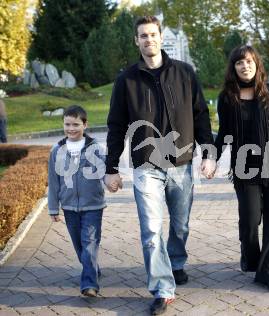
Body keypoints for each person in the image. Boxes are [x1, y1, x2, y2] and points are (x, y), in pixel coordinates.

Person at [104, 15, 216, 315]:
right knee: (151, 231)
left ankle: (176, 262)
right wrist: (110, 168)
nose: (148, 39)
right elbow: (116, 125)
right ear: (136, 41)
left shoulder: (185, 73)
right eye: (143, 35)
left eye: (153, 34)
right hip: (145, 167)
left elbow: (201, 114)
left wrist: (209, 153)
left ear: (161, 36)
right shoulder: (126, 80)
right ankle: (163, 289)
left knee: (180, 226)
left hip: (182, 164)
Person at [214, 45, 269, 292]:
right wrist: (212, 157)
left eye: (249, 61)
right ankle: (251, 258)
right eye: (240, 62)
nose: (245, 66)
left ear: (257, 64)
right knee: (250, 220)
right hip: (244, 167)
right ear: (234, 68)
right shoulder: (226, 98)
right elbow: (224, 134)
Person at [48, 105, 106, 297]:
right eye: (67, 124)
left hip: (93, 204)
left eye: (76, 124)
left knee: (89, 242)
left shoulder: (96, 148)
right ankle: (92, 269)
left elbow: (105, 171)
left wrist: (113, 181)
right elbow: (54, 180)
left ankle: (89, 285)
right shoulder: (57, 150)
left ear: (85, 125)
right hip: (69, 205)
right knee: (78, 245)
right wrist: (53, 207)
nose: (71, 128)